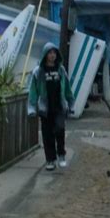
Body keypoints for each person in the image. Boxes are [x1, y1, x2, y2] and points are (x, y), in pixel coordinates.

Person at [28, 42, 75, 171]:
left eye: (54, 53)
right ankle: (50, 160)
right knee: (47, 135)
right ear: (45, 54)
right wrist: (31, 108)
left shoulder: (61, 70)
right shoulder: (38, 72)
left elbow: (67, 89)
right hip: (45, 109)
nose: (52, 55)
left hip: (59, 107)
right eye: (50, 53)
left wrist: (71, 104)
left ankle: (61, 155)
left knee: (60, 130)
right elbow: (33, 91)